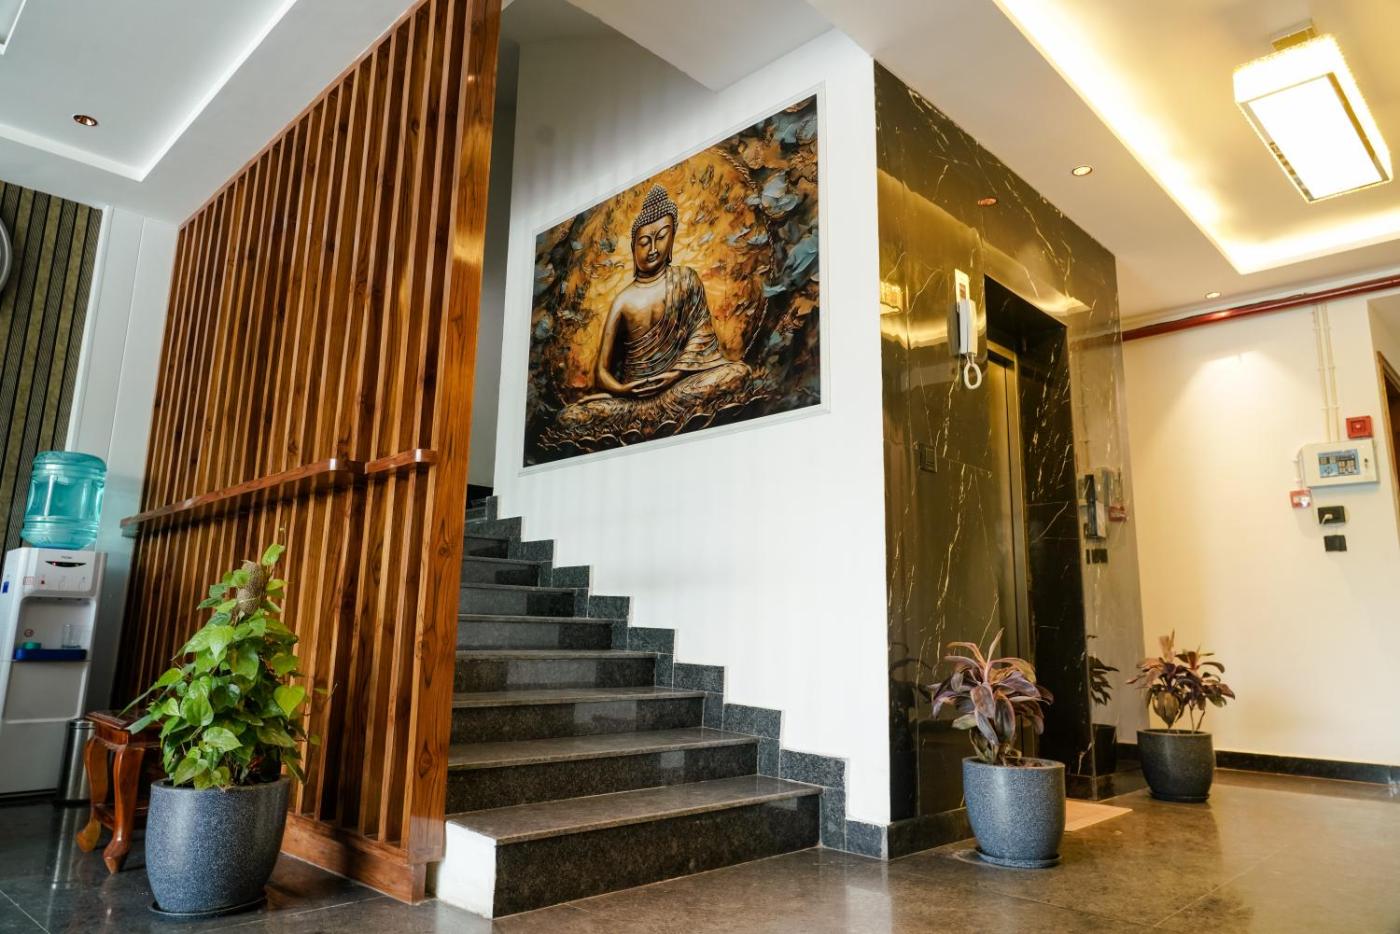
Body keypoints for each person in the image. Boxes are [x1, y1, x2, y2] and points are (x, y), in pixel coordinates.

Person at [553, 184, 750, 442]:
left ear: (672, 240)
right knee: (568, 417)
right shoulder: (623, 300)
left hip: (679, 389)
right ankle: (649, 419)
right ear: (633, 247)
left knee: (737, 374)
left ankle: (646, 423)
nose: (653, 248)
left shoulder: (686, 279)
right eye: (644, 241)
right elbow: (601, 373)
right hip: (631, 402)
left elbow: (701, 337)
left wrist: (676, 375)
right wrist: (623, 390)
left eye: (661, 237)